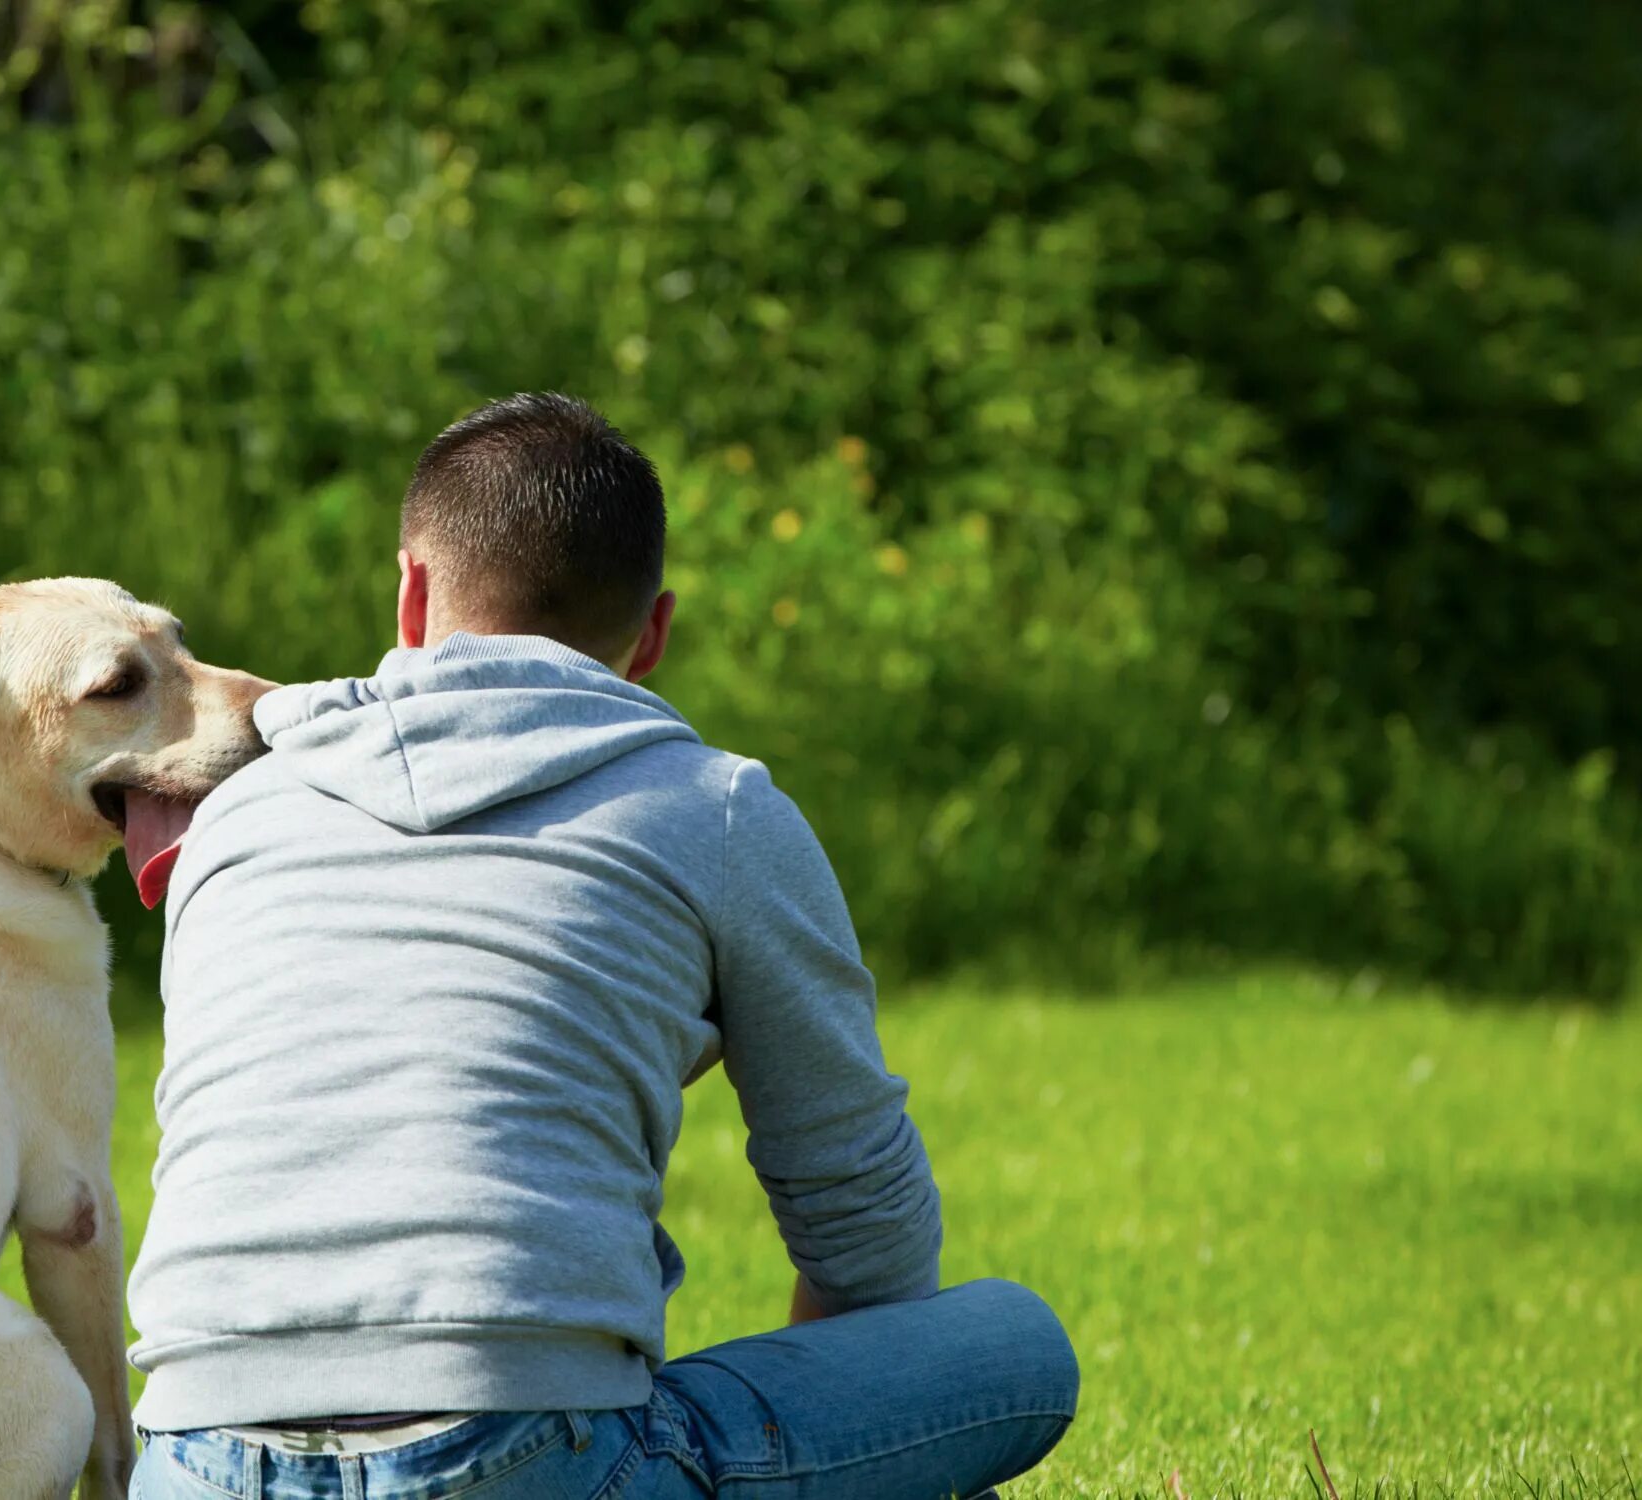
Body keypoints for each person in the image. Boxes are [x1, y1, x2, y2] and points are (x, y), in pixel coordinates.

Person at [124, 394, 1077, 1499]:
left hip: (195, 1456)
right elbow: (865, 1238)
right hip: (521, 1459)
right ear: (654, 636)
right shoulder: (715, 809)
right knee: (1016, 1349)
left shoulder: (238, 817)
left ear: (411, 591)